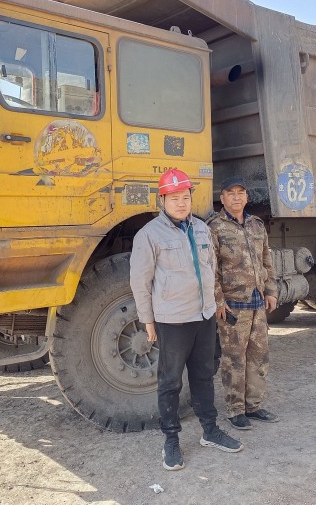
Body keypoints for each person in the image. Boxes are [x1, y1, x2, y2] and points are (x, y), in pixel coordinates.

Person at [130, 168, 243, 471]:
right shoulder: (149, 235)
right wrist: (148, 321)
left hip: (203, 316)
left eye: (185, 197)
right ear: (162, 200)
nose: (181, 203)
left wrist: (214, 305)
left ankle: (210, 430)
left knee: (203, 375)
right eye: (174, 198)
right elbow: (140, 282)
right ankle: (171, 440)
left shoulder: (202, 229)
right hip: (172, 320)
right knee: (170, 382)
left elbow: (210, 270)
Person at [208, 176, 280, 431]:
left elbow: (266, 260)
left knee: (259, 355)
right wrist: (218, 300)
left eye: (241, 192)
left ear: (247, 197)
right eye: (231, 193)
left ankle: (254, 406)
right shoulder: (214, 227)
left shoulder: (256, 225)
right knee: (234, 359)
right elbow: (210, 268)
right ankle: (235, 410)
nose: (237, 197)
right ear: (222, 198)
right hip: (232, 306)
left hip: (257, 302)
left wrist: (271, 291)